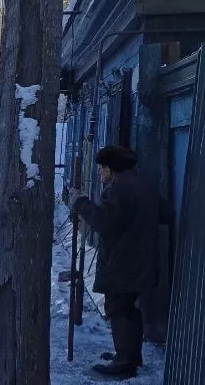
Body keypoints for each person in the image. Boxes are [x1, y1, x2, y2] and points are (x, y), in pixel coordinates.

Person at [68, 144, 160, 379]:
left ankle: (124, 362)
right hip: (142, 258)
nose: (101, 174)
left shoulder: (118, 189)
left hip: (122, 261)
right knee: (130, 308)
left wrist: (81, 203)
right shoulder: (144, 184)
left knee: (118, 309)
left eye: (102, 169)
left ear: (112, 169)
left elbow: (103, 222)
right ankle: (130, 354)